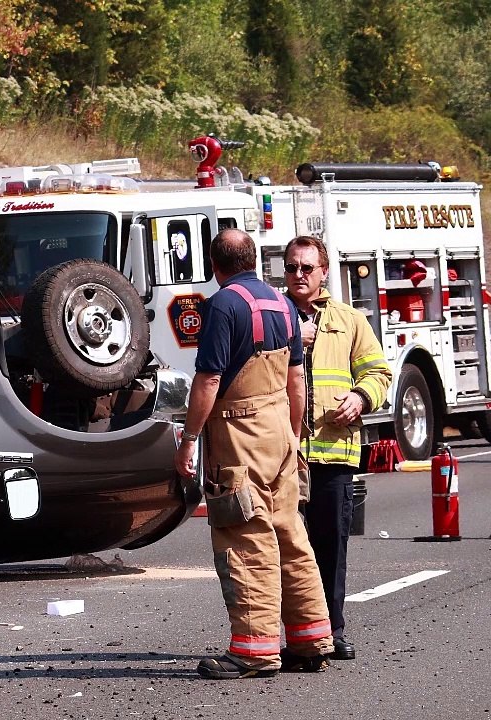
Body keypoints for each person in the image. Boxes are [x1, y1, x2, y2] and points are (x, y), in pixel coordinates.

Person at [173, 228, 335, 679]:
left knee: (245, 537)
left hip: (239, 437)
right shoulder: (284, 304)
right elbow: (297, 379)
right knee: (290, 535)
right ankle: (311, 639)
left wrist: (189, 439)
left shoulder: (223, 305)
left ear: (215, 266)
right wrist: (291, 436)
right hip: (280, 433)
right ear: (255, 259)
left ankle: (254, 650)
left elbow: (208, 382)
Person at [284, 235, 392, 661]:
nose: (298, 275)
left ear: (324, 272)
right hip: (285, 455)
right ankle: (296, 635)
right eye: (292, 267)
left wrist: (362, 398)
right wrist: (295, 338)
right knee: (287, 553)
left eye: (306, 268)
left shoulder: (350, 321)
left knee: (330, 549)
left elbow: (379, 373)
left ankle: (332, 632)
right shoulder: (274, 316)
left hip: (332, 454)